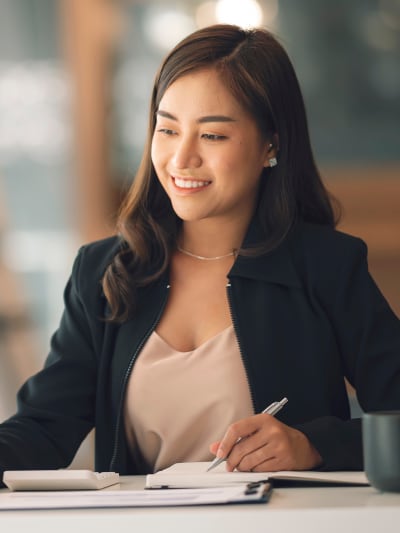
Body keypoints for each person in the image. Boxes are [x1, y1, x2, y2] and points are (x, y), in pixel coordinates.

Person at [0, 24, 399, 483]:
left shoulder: (326, 265)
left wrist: (314, 445)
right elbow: (42, 427)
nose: (181, 158)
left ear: (271, 143)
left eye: (212, 136)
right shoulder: (105, 272)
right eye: (167, 129)